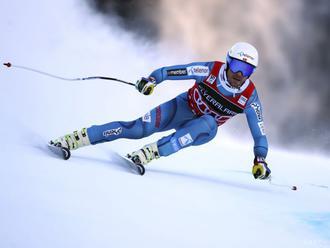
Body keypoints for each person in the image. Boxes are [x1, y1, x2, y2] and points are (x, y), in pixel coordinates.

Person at [51, 42, 271, 180]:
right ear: (227, 62)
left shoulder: (249, 97)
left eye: (247, 70)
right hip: (182, 107)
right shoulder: (209, 70)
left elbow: (259, 133)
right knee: (137, 128)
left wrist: (259, 160)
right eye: (237, 66)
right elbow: (171, 71)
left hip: (202, 129)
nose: (239, 74)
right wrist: (151, 80)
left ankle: (151, 152)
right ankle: (77, 138)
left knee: (208, 122)